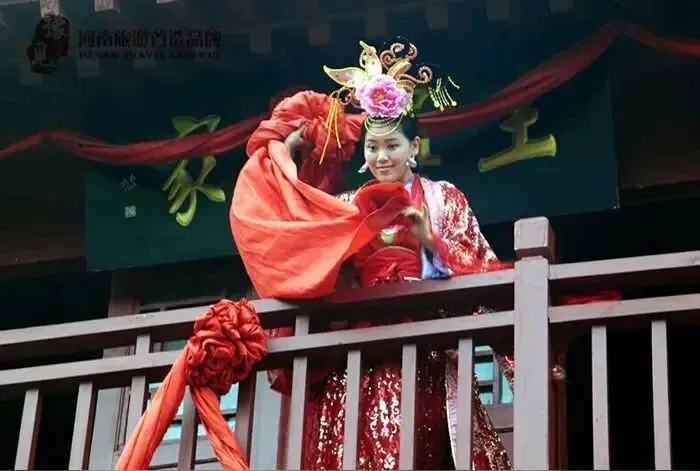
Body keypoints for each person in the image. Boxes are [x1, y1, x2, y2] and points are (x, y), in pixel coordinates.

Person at [265, 38, 515, 470]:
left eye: (392, 146)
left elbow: (482, 268)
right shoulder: (345, 205)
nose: (381, 157)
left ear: (413, 148)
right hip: (357, 353)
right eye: (372, 147)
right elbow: (301, 247)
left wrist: (430, 242)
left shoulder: (443, 198)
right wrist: (290, 145)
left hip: (425, 348)